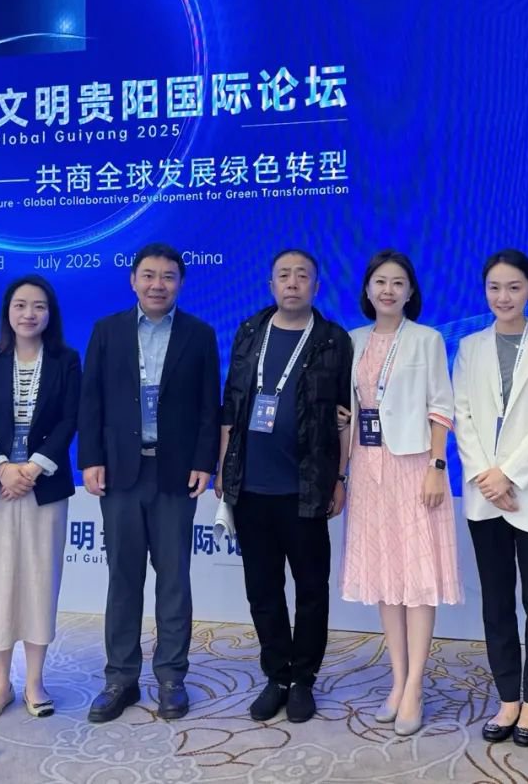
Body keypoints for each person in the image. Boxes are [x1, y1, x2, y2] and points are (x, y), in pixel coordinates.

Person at [78, 243, 220, 723]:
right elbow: (91, 400)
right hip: (121, 472)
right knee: (123, 578)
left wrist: (204, 461)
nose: (158, 284)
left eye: (168, 276)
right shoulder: (107, 331)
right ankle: (120, 678)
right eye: (149, 275)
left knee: (174, 579)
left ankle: (171, 677)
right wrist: (90, 459)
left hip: (175, 473)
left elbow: (209, 405)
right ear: (133, 280)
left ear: (180, 283)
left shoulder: (199, 334)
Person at [217, 249, 352, 724]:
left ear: (316, 286)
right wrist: (223, 468)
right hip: (252, 488)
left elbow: (345, 418)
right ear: (271, 284)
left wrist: (340, 478)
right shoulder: (250, 332)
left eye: (302, 276)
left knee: (311, 589)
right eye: (283, 275)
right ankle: (276, 675)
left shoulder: (333, 340)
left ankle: (303, 680)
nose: (292, 283)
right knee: (263, 590)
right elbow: (232, 404)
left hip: (307, 488)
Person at [339, 249, 462, 736]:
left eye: (397, 282)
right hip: (368, 469)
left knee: (418, 577)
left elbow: (441, 407)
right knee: (386, 577)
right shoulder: (352, 341)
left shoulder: (427, 340)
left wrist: (437, 466)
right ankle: (397, 678)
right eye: (380, 282)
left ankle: (415, 686)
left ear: (411, 291)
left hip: (414, 467)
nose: (388, 290)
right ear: (367, 290)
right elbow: (348, 409)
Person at [453, 249, 528, 748]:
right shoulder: (469, 347)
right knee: (497, 601)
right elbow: (462, 415)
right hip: (485, 495)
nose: (504, 297)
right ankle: (507, 698)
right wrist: (487, 476)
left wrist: (509, 476)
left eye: (514, 287)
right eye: (495, 288)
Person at [0, 275, 81, 722]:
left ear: (51, 314)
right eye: (21, 305)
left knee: (39, 582)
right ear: (8, 312)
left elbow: (70, 419)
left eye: (39, 306)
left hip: (42, 487)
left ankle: (34, 682)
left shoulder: (66, 360)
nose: (29, 314)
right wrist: (3, 468)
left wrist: (32, 468)